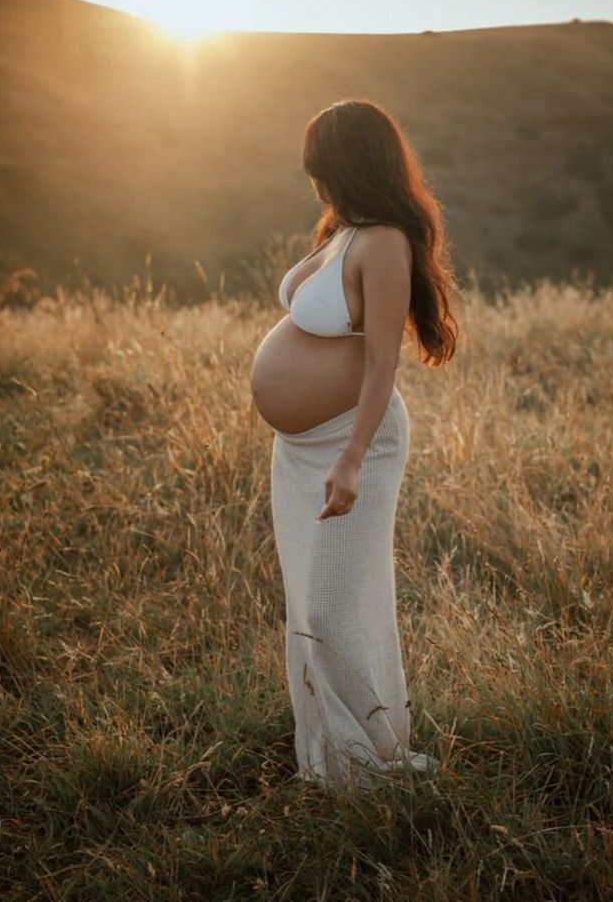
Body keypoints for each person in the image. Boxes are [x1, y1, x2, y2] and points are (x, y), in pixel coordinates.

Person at [250, 98, 459, 790]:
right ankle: (333, 757)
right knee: (307, 603)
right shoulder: (345, 230)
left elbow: (382, 362)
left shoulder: (385, 242)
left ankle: (372, 761)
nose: (316, 183)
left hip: (351, 442)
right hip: (302, 448)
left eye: (323, 167)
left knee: (335, 603)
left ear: (350, 164)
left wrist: (350, 459)